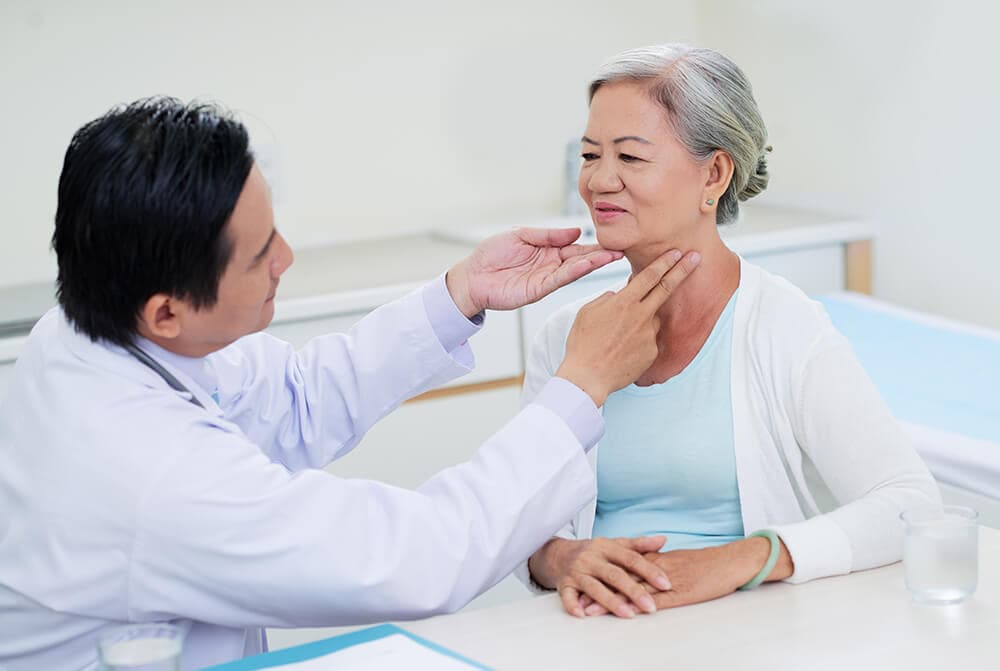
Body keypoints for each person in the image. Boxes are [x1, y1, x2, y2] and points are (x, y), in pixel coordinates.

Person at [0, 97, 701, 670]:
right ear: (167, 309)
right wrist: (582, 387)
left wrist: (459, 294)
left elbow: (298, 396)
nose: (287, 257)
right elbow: (417, 555)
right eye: (259, 254)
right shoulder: (143, 472)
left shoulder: (96, 323)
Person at [519, 44, 941, 619]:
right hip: (593, 633)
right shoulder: (563, 336)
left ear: (714, 174)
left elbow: (910, 504)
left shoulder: (782, 325)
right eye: (592, 155)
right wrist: (564, 559)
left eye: (631, 157)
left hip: (746, 630)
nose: (598, 180)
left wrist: (744, 559)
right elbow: (521, 529)